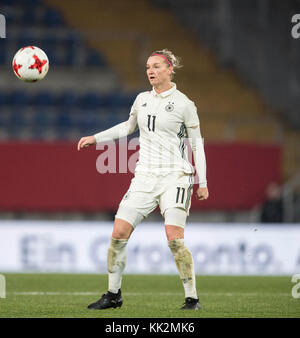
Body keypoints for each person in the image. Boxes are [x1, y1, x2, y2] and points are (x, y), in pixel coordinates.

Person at [77, 49, 209, 310]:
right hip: (145, 176)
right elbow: (127, 127)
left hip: (176, 176)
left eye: (157, 66)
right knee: (118, 233)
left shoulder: (185, 104)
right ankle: (113, 295)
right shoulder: (141, 100)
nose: (151, 71)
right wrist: (96, 137)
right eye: (148, 67)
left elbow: (197, 146)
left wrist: (201, 182)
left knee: (174, 239)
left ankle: (192, 298)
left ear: (170, 69)